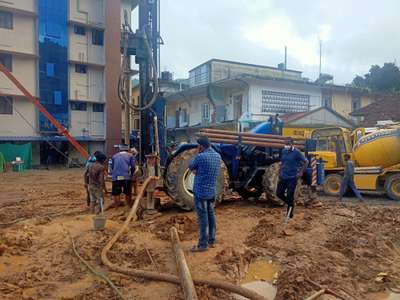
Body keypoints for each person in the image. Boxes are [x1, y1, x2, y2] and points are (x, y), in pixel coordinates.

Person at [189, 136, 221, 252]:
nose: (197, 148)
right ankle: (211, 241)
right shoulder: (218, 156)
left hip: (200, 193)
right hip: (211, 192)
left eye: (198, 146)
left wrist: (195, 168)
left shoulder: (200, 157)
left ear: (201, 146)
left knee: (203, 219)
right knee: (211, 216)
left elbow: (191, 165)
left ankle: (203, 245)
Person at [276, 138, 308, 220]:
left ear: (292, 144)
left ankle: (289, 214)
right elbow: (282, 162)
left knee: (290, 194)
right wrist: (279, 172)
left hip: (292, 177)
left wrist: (300, 172)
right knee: (279, 193)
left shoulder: (297, 152)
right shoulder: (284, 151)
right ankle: (291, 204)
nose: (286, 145)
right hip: (283, 176)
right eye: (285, 143)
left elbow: (306, 162)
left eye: (288, 144)